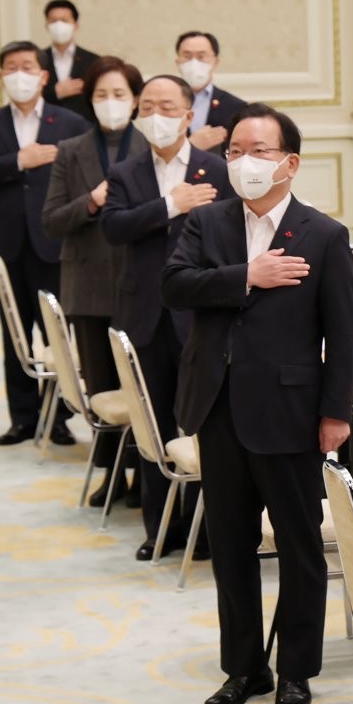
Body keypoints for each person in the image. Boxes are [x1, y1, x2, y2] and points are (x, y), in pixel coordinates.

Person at [162, 104, 353, 704]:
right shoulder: (208, 222)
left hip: (291, 412)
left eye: (261, 150)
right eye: (236, 151)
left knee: (299, 549)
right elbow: (175, 284)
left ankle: (297, 670)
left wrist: (336, 412)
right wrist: (247, 274)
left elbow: (342, 333)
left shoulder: (324, 235)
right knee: (231, 545)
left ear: (290, 162)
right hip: (218, 409)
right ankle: (244, 667)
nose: (246, 161)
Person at [100, 75, 231, 561]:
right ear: (138, 114)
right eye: (149, 105)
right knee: (152, 426)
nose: (158, 114)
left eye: (168, 105)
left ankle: (206, 531)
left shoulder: (215, 169)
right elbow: (113, 228)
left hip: (201, 315)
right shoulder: (125, 172)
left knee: (201, 423)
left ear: (188, 114)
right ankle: (159, 529)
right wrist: (169, 205)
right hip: (146, 315)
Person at [0, 40, 89, 446]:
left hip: (55, 241)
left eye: (27, 66)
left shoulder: (69, 122)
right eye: (11, 67)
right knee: (15, 332)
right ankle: (22, 418)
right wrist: (19, 160)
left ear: (43, 75)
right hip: (5, 242)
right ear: (1, 75)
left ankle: (60, 418)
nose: (20, 73)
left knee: (57, 333)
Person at [41, 56, 148, 507]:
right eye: (101, 95)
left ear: (136, 100)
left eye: (119, 94)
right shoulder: (70, 150)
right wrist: (91, 201)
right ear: (90, 102)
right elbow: (51, 220)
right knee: (102, 385)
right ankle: (112, 475)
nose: (110, 103)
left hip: (144, 285)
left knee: (144, 386)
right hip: (88, 286)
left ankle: (147, 474)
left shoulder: (153, 148)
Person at [174, 31, 247, 157]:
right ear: (178, 62)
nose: (194, 63)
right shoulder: (164, 105)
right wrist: (191, 146)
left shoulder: (236, 107)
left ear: (215, 62)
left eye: (201, 56)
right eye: (187, 56)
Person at [40, 0, 99, 123]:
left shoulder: (93, 61)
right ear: (47, 26)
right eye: (54, 21)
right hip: (46, 126)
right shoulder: (38, 60)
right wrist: (55, 92)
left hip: (83, 129)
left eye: (64, 20)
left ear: (75, 26)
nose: (59, 25)